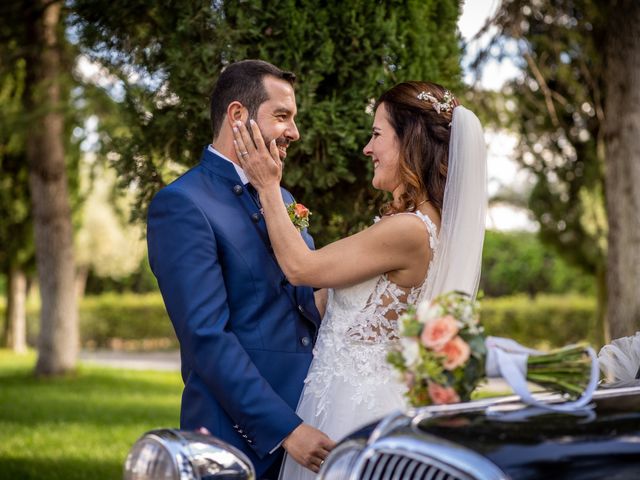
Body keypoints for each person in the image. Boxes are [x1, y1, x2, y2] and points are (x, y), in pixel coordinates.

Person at [233, 81, 487, 479]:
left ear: (411, 142)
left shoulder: (410, 230)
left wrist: (267, 186)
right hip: (336, 399)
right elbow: (328, 301)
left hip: (354, 412)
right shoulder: (416, 225)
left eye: (376, 135)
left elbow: (302, 268)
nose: (367, 148)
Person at [146, 60, 335, 480]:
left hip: (309, 423)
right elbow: (206, 337)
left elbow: (306, 303)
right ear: (237, 116)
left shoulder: (282, 196)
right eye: (282, 117)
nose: (294, 133)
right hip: (232, 440)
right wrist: (286, 429)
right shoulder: (182, 204)